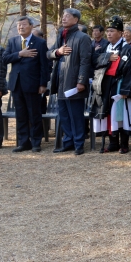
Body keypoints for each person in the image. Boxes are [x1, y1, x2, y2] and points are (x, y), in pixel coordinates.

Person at [48, 8, 93, 155]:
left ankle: (79, 144)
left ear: (76, 19)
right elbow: (49, 53)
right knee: (64, 115)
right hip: (60, 81)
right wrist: (58, 52)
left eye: (67, 16)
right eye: (63, 15)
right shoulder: (61, 35)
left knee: (76, 115)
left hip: (74, 83)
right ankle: (68, 142)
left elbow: (86, 62)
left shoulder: (82, 37)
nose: (64, 18)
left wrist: (81, 81)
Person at [3, 16, 50, 153]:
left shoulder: (40, 43)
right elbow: (5, 59)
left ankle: (36, 142)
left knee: (34, 114)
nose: (20, 27)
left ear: (31, 26)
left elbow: (44, 65)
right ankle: (23, 142)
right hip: (16, 84)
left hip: (33, 84)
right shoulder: (13, 42)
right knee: (21, 115)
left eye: (23, 25)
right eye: (18, 25)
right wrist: (20, 54)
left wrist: (43, 84)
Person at [92, 16, 131, 154]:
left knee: (121, 114)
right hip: (106, 85)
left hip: (120, 84)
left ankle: (124, 144)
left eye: (112, 31)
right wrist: (107, 57)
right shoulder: (106, 48)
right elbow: (94, 60)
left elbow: (130, 71)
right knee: (108, 113)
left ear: (120, 33)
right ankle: (113, 142)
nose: (109, 34)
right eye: (108, 31)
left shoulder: (127, 49)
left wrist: (126, 90)